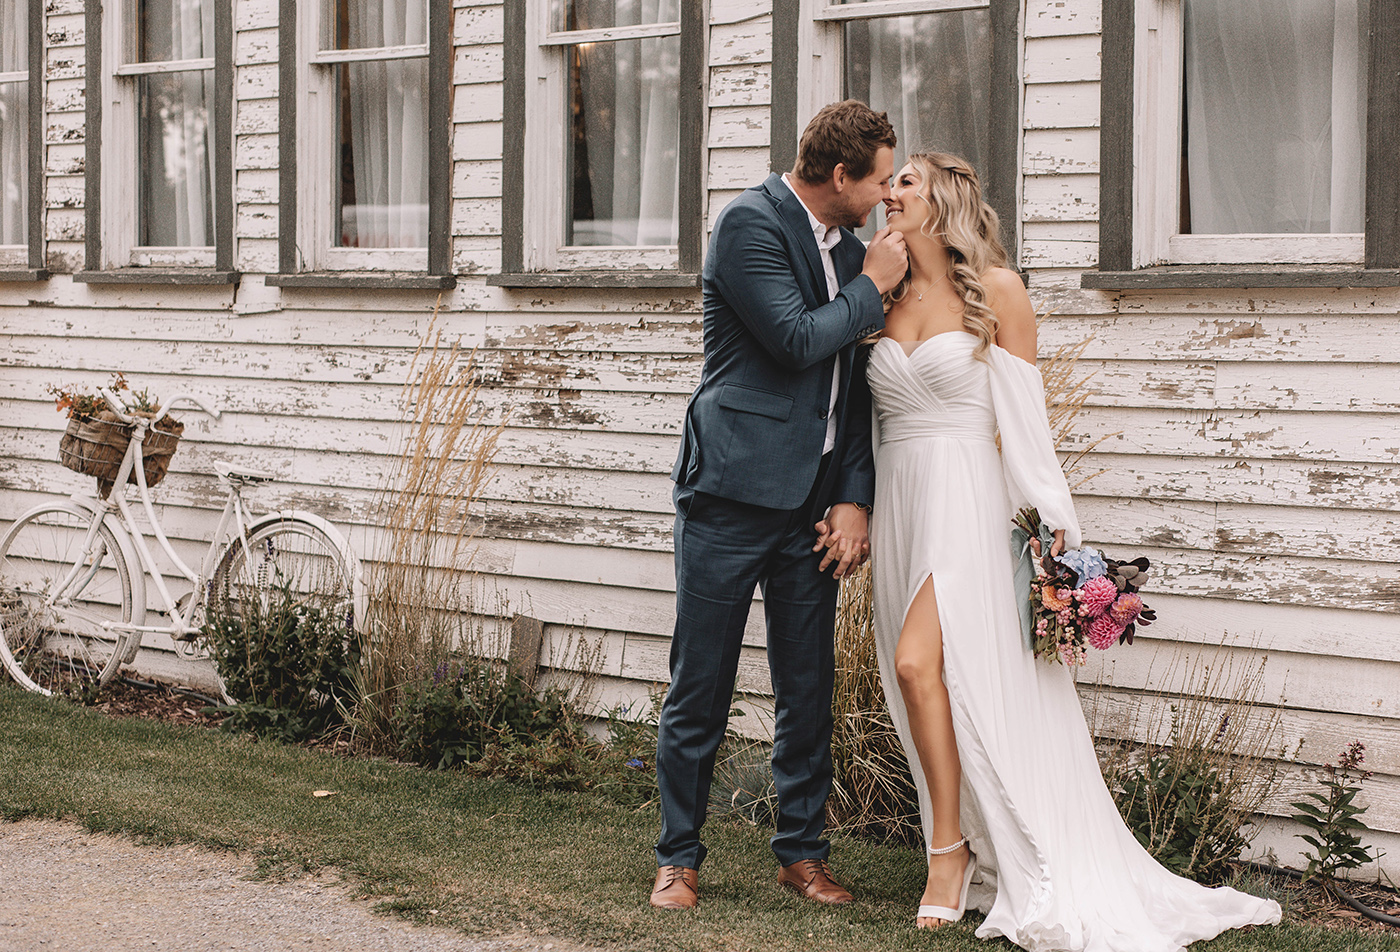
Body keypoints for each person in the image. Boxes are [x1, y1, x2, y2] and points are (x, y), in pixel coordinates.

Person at [856, 151, 1283, 947]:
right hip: (902, 503)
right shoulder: (879, 293)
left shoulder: (999, 291)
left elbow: (1023, 422)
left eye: (904, 183)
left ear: (942, 198)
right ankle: (958, 842)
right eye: (889, 184)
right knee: (918, 677)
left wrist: (1056, 531)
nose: (890, 195)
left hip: (971, 509)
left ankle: (947, 857)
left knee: (922, 664)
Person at [651, 101, 909, 911]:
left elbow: (857, 389)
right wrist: (873, 288)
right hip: (730, 491)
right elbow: (797, 339)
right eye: (875, 182)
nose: (883, 197)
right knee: (702, 684)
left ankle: (801, 853)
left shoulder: (859, 250)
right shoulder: (748, 226)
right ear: (839, 177)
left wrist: (854, 498)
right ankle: (678, 859)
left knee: (807, 688)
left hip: (816, 508)